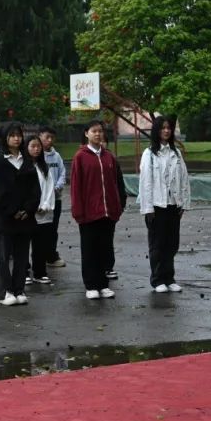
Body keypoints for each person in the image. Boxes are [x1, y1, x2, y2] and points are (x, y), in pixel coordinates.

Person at [69, 119, 126, 300]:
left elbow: (115, 184)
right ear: (86, 133)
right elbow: (76, 186)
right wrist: (78, 211)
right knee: (89, 250)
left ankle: (103, 284)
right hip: (88, 213)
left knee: (104, 248)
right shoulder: (80, 157)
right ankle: (91, 285)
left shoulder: (109, 157)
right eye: (94, 131)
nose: (98, 134)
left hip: (108, 212)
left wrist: (117, 207)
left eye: (100, 131)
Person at [138, 115, 191, 293]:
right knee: (157, 244)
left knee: (172, 243)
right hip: (157, 206)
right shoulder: (150, 154)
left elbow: (184, 179)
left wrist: (183, 203)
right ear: (157, 130)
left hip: (173, 205)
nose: (166, 131)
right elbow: (146, 182)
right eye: (163, 128)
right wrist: (148, 208)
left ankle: (169, 277)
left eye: (169, 128)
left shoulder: (176, 153)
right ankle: (157, 279)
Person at [0, 123, 40, 306]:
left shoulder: (26, 160)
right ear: (5, 138)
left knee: (22, 256)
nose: (16, 138)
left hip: (25, 217)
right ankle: (5, 292)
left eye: (19, 135)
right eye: (12, 135)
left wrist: (28, 209)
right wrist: (12, 211)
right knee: (3, 257)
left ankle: (19, 289)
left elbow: (35, 189)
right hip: (5, 217)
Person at [27, 134, 56, 285]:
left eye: (38, 146)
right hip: (28, 213)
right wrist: (31, 206)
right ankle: (24, 272)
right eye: (33, 146)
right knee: (24, 245)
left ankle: (40, 272)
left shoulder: (44, 168)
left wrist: (45, 205)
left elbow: (50, 188)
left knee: (40, 244)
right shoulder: (23, 167)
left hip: (43, 212)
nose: (36, 149)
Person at [39, 126, 66, 268]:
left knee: (53, 228)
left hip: (56, 198)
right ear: (40, 136)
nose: (49, 140)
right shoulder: (36, 156)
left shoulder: (57, 156)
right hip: (41, 199)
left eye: (52, 138)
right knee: (40, 228)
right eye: (47, 137)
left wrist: (58, 186)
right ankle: (39, 256)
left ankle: (51, 255)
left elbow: (62, 173)